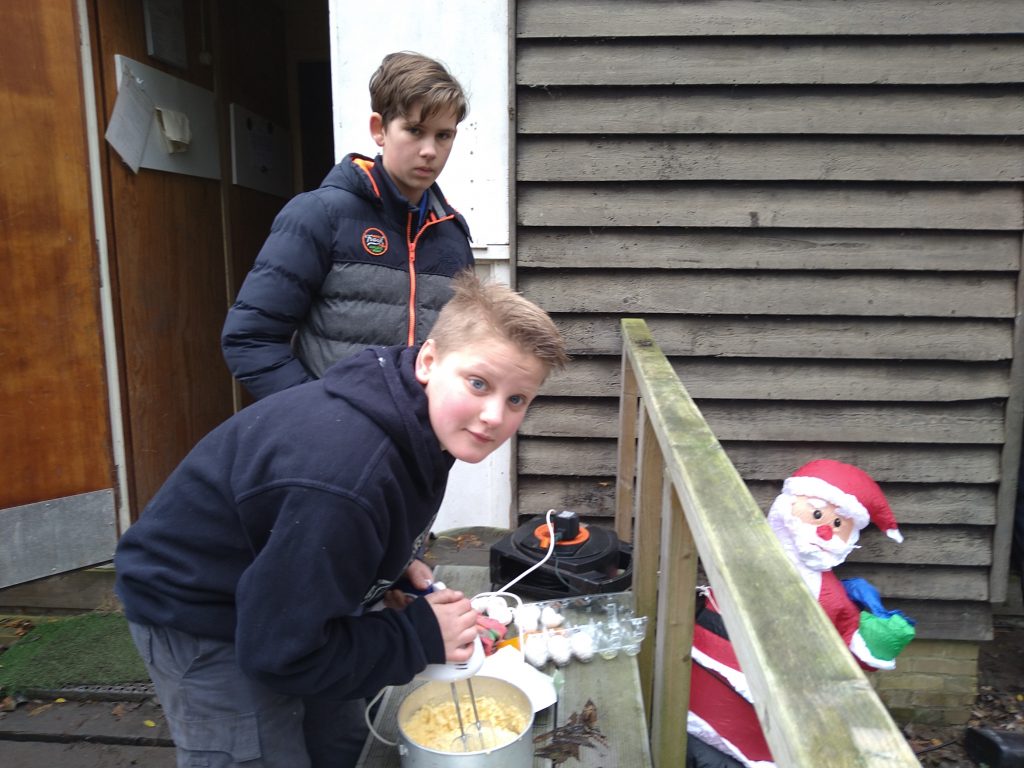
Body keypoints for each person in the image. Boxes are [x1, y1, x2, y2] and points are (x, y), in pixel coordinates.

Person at [115, 272, 569, 768]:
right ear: (429, 361)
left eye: (516, 400)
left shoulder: (421, 417)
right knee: (258, 754)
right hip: (202, 611)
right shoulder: (345, 480)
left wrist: (391, 562)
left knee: (341, 743)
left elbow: (347, 527)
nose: (492, 416)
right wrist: (420, 635)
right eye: (478, 383)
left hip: (289, 598)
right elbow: (280, 653)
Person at [221, 51, 474, 400]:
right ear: (379, 130)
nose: (429, 150)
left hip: (418, 443)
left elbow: (459, 346)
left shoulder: (451, 233)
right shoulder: (318, 216)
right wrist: (319, 417)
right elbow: (250, 338)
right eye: (414, 130)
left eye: (443, 136)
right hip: (335, 444)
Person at [686, 459, 916, 768]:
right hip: (704, 673)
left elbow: (851, 643)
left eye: (837, 524)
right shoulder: (747, 557)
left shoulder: (832, 595)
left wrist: (878, 640)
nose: (824, 530)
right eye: (817, 514)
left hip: (773, 702)